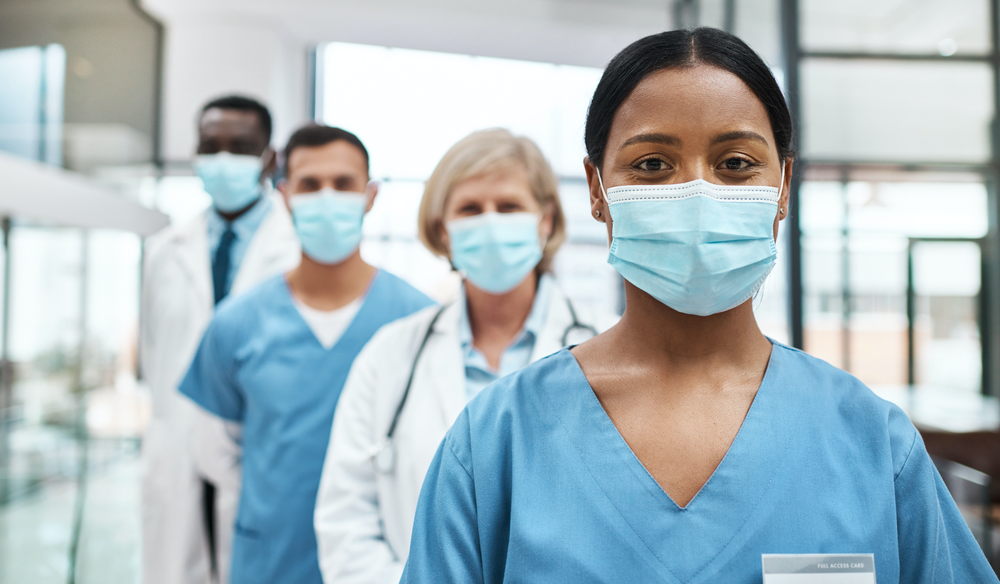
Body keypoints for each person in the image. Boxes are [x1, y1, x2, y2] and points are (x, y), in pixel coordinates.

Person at [400, 28, 998, 583]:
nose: (698, 191)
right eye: (652, 164)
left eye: (735, 164)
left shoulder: (871, 442)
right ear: (596, 191)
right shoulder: (498, 442)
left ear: (782, 187)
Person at [313, 129, 618, 584]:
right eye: (470, 209)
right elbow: (347, 524)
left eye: (509, 207)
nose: (490, 222)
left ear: (546, 221)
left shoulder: (610, 344)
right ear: (443, 230)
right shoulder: (390, 356)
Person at [179, 124, 434, 584]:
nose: (327, 197)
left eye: (343, 183)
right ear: (284, 195)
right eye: (310, 185)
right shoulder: (235, 324)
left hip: (382, 563)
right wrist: (278, 499)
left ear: (371, 195)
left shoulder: (419, 321)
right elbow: (214, 454)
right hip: (270, 559)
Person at [141, 95, 299, 584]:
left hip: (260, 454)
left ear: (268, 159)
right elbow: (154, 352)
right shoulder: (164, 251)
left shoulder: (294, 249)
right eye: (211, 147)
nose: (223, 160)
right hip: (177, 448)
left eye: (241, 147)